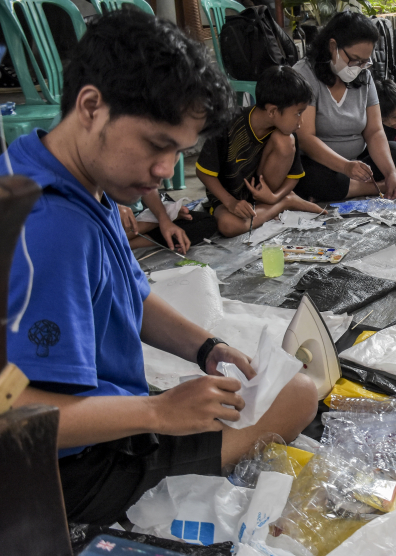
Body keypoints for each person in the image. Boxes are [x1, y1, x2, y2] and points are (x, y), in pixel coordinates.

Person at [5, 11, 319, 525]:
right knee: (298, 396)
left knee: (276, 388)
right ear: (91, 106)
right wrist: (158, 413)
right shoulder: (50, 228)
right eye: (156, 145)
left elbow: (131, 294)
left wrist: (206, 347)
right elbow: (15, 414)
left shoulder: (69, 173)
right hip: (66, 471)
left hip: (105, 419)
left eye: (176, 150)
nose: (162, 171)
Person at [292, 11, 396, 202]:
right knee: (316, 178)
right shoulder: (304, 74)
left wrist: (390, 173)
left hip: (357, 163)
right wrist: (345, 167)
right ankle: (373, 188)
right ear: (333, 46)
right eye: (355, 59)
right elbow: (306, 138)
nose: (360, 66)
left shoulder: (364, 76)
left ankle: (357, 185)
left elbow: (374, 131)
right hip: (319, 163)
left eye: (365, 61)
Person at [196, 65, 324, 238]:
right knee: (228, 226)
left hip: (264, 195)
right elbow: (203, 172)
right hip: (228, 197)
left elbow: (293, 177)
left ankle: (277, 202)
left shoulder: (286, 131)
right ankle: (284, 203)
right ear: (272, 111)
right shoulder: (227, 123)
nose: (300, 121)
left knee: (285, 141)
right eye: (298, 113)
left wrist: (273, 197)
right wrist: (231, 202)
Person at [119, 192, 217, 255]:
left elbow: (147, 188)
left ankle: (123, 241)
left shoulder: (139, 168)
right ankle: (120, 242)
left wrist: (164, 219)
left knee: (206, 222)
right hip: (113, 223)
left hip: (141, 213)